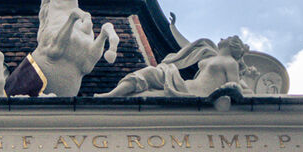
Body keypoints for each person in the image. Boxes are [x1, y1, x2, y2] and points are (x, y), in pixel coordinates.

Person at [100, 35, 249, 98]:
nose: (222, 38)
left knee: (147, 82)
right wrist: (173, 28)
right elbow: (187, 46)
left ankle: (112, 97)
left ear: (232, 45)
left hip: (191, 93)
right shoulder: (213, 56)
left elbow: (234, 86)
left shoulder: (230, 62)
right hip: (183, 85)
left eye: (227, 38)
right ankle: (112, 95)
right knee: (150, 72)